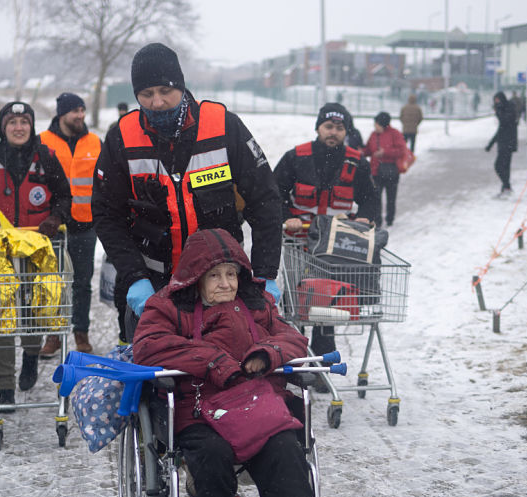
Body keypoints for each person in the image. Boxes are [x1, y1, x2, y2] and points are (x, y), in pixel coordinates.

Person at [132, 228, 333, 497]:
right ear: (195, 278)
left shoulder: (256, 304)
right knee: (210, 457)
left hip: (256, 406)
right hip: (198, 410)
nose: (225, 284)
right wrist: (210, 361)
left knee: (286, 452)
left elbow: (293, 339)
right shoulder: (168, 306)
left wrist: (267, 353)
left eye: (231, 274)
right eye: (215, 276)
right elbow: (149, 345)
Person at [92, 43, 283, 344]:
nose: (156, 102)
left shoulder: (223, 126)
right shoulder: (121, 137)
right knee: (156, 380)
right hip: (154, 285)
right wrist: (134, 277)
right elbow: (106, 214)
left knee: (226, 370)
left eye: (164, 91)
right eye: (146, 94)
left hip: (221, 284)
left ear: (181, 86)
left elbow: (266, 201)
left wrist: (265, 273)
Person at [0, 101, 71, 409]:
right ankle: (5, 387)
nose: (19, 127)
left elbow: (64, 197)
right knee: (5, 316)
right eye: (12, 122)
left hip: (37, 248)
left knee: (34, 310)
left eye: (24, 121)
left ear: (32, 126)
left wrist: (54, 219)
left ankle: (31, 357)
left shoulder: (46, 157)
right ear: (3, 127)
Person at [273, 103, 379, 380]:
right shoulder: (295, 157)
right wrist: (286, 217)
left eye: (340, 128)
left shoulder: (357, 162)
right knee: (294, 307)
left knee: (327, 306)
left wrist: (366, 218)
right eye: (328, 126)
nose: (333, 132)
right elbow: (273, 193)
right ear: (318, 127)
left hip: (335, 249)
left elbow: (370, 200)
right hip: (298, 244)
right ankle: (293, 361)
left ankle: (320, 368)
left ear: (346, 131)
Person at [38, 92, 101, 358]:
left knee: (82, 282)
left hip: (86, 224)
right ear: (61, 113)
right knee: (51, 282)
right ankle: (52, 335)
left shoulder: (95, 142)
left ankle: (81, 332)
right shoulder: (41, 142)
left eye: (82, 110)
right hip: (52, 225)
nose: (80, 116)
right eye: (75, 111)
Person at [364, 111, 407, 227]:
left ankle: (390, 219)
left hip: (391, 171)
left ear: (382, 124)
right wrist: (361, 152)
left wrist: (385, 152)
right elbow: (368, 149)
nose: (375, 126)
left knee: (391, 197)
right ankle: (377, 220)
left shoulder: (395, 134)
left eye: (376, 124)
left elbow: (402, 150)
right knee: (376, 197)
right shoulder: (373, 134)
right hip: (376, 171)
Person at [485, 91, 519, 197]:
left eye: (497, 100)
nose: (496, 102)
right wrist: (490, 144)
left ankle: (506, 186)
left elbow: (504, 123)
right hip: (504, 143)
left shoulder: (508, 109)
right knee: (504, 166)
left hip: (507, 143)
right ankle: (506, 188)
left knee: (499, 166)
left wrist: (498, 110)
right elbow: (500, 129)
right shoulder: (505, 109)